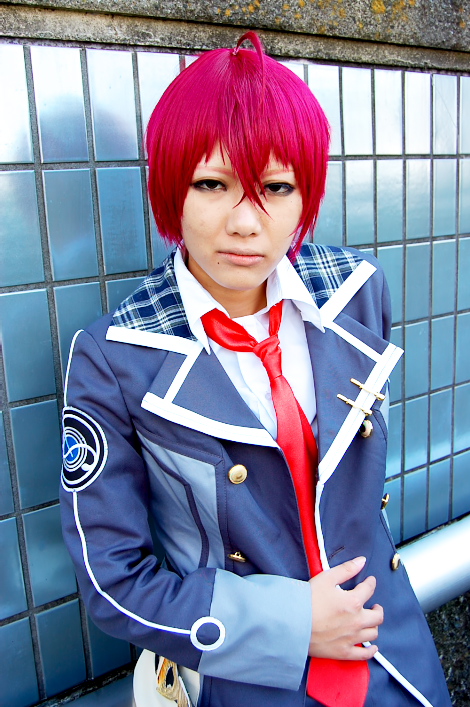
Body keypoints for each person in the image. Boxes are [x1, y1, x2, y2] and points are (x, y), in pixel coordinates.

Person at [60, 31, 451, 707]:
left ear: (307, 194)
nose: (246, 222)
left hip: (395, 652)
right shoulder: (117, 354)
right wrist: (293, 622)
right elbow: (112, 579)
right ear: (171, 189)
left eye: (276, 186)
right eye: (213, 184)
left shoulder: (355, 292)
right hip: (247, 675)